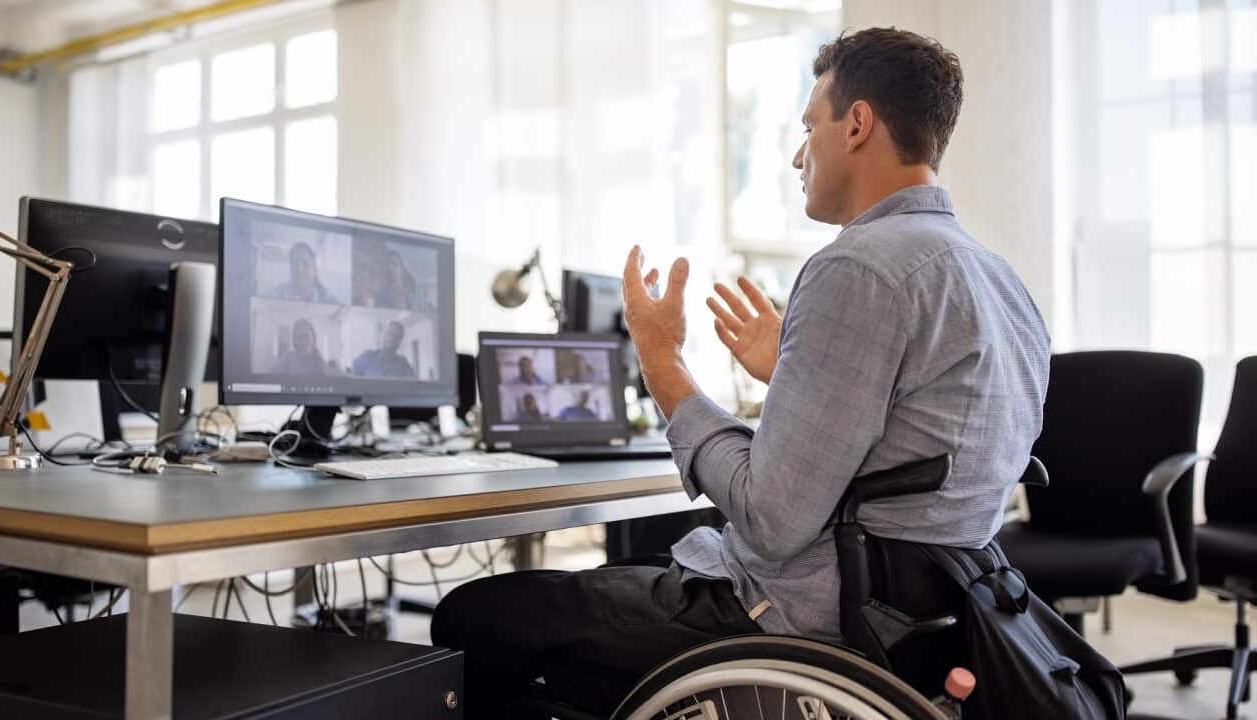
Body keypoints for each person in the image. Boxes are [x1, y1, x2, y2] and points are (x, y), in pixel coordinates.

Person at [431, 28, 1050, 719]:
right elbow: (908, 458)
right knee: (605, 582)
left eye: (809, 125)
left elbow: (770, 518)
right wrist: (790, 376)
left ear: (858, 125)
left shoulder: (859, 266)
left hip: (789, 620)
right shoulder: (1000, 281)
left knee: (470, 617)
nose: (796, 153)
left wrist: (663, 364)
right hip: (921, 626)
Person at [264, 242, 339, 304]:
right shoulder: (279, 293)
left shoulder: (326, 297)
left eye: (305, 263)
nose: (299, 270)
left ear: (315, 269)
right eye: (294, 264)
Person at [351, 320, 417, 378]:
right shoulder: (367, 356)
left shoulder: (403, 363)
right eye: (390, 334)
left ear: (400, 342)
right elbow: (352, 379)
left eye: (397, 337)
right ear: (383, 335)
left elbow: (414, 385)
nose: (392, 339)